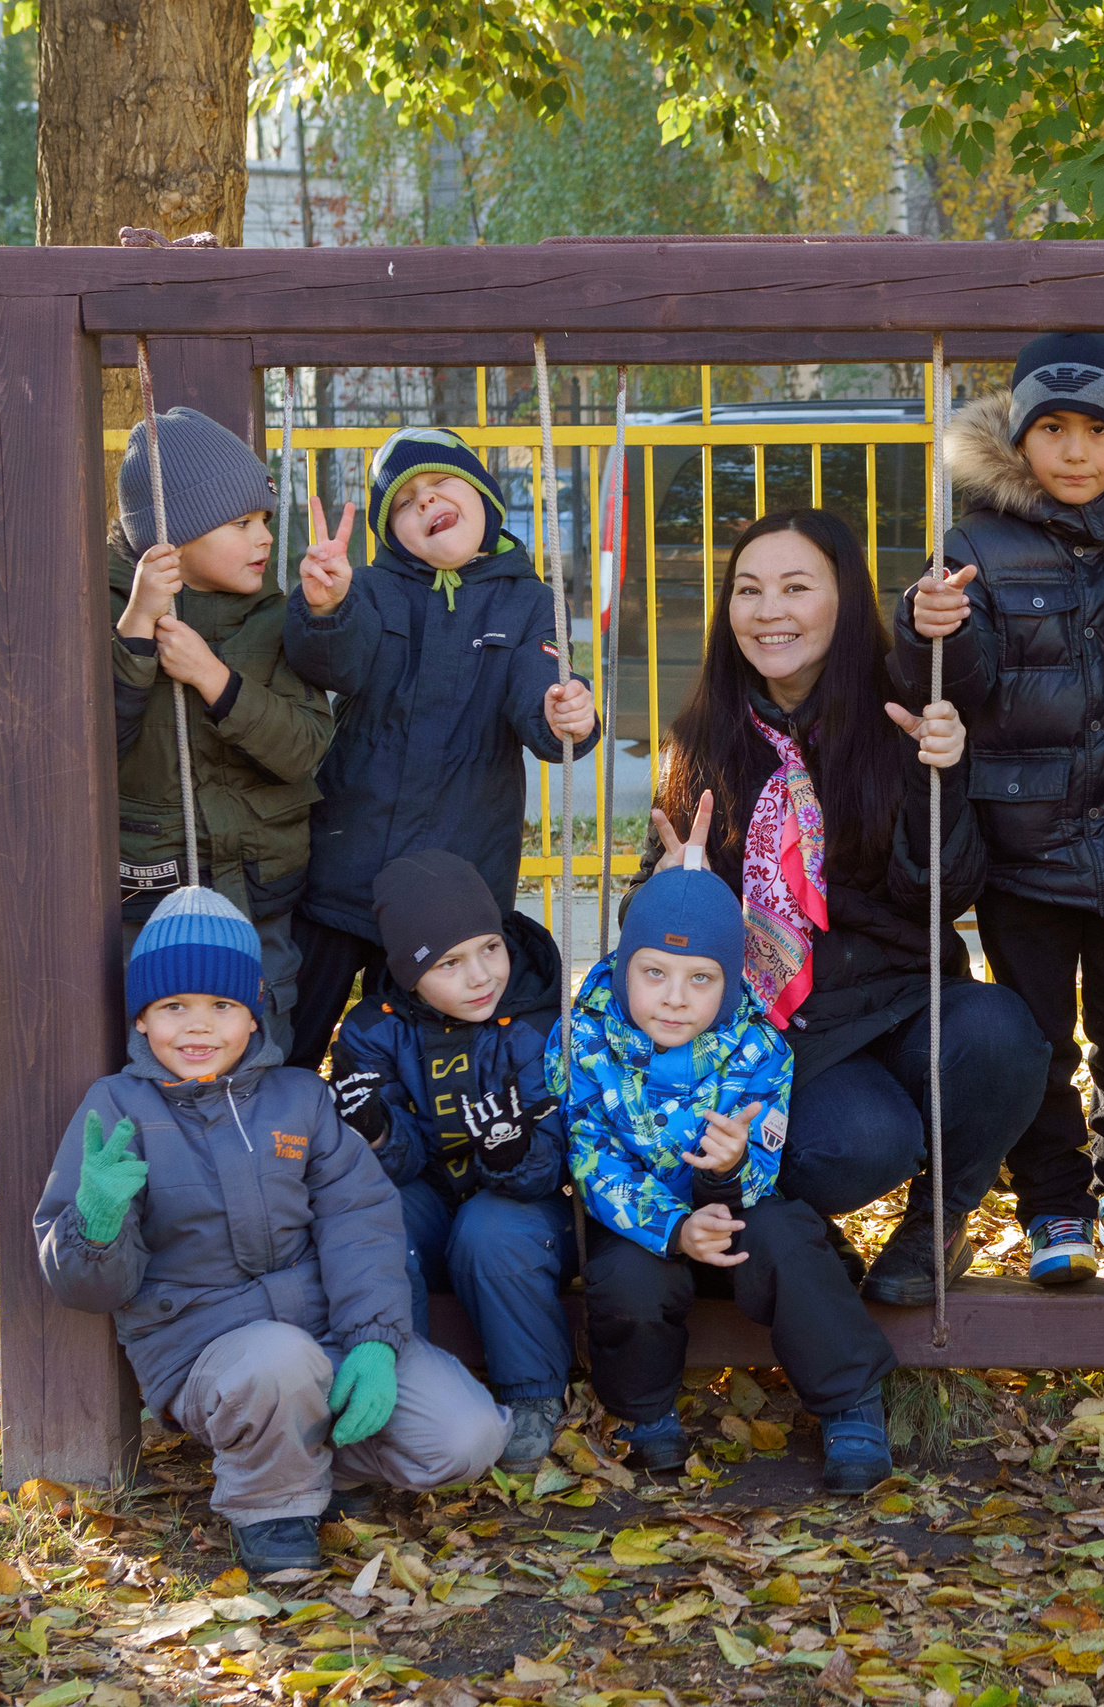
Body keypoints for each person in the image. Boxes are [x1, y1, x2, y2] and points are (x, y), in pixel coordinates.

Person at [32, 887, 508, 1572]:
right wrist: (97, 1222)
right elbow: (87, 1286)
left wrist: (374, 1339)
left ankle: (323, 1464)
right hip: (206, 1346)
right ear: (142, 1017)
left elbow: (361, 1220)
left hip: (326, 1330)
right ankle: (274, 1512)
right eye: (174, 1008)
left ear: (253, 1017)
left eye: (222, 1007)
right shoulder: (118, 1108)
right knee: (280, 1363)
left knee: (467, 1434)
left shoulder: (300, 1099)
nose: (198, 1028)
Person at [643, 508, 1048, 1305]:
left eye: (798, 587)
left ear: (846, 601)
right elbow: (650, 925)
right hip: (779, 1031)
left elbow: (944, 892)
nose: (771, 612)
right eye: (750, 590)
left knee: (1001, 1034)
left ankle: (939, 1223)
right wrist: (677, 888)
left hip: (898, 996)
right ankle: (795, 1223)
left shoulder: (901, 710)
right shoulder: (704, 736)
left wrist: (940, 777)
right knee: (864, 1142)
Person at [895, 333, 1104, 1286]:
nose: (1073, 451)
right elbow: (952, 679)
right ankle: (1054, 1202)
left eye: (1096, 430)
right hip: (1023, 844)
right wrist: (926, 622)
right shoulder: (975, 545)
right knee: (1040, 1037)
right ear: (1018, 440)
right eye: (1051, 429)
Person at [553, 859, 898, 1492]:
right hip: (643, 1219)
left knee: (789, 1240)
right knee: (625, 1279)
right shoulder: (582, 1040)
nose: (676, 998)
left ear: (730, 983)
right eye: (653, 973)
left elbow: (766, 1152)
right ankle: (644, 1411)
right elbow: (590, 1156)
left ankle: (849, 1399)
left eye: (701, 979)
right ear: (623, 965)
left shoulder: (760, 1045)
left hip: (737, 1209)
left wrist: (733, 1167)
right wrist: (676, 1227)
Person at [282, 428, 599, 1069]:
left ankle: (411, 1154)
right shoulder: (369, 589)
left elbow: (541, 689)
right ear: (390, 531)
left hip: (457, 876)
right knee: (297, 1032)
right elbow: (331, 665)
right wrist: (326, 608)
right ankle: (275, 1136)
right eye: (405, 502)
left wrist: (568, 712)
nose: (426, 503)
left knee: (428, 1054)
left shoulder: (531, 601)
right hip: (347, 859)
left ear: (484, 496)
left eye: (441, 485)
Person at [325, 849, 574, 1475]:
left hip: (524, 1212)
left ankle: (533, 1393)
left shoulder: (535, 1025)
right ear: (409, 976)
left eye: (490, 947)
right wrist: (378, 1133)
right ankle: (404, 1388)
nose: (480, 976)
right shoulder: (372, 1032)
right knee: (384, 1216)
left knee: (492, 1231)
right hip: (429, 1197)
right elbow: (387, 1172)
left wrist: (515, 1151)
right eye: (449, 963)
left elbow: (560, 1158)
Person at [109, 406, 333, 1046]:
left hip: (259, 890)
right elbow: (89, 752)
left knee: (263, 1032)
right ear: (170, 536)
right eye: (241, 523)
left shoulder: (273, 616)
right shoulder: (101, 602)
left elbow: (305, 747)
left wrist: (217, 681)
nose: (265, 538)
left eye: (264, 520)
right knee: (166, 1039)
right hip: (154, 889)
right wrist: (136, 631)